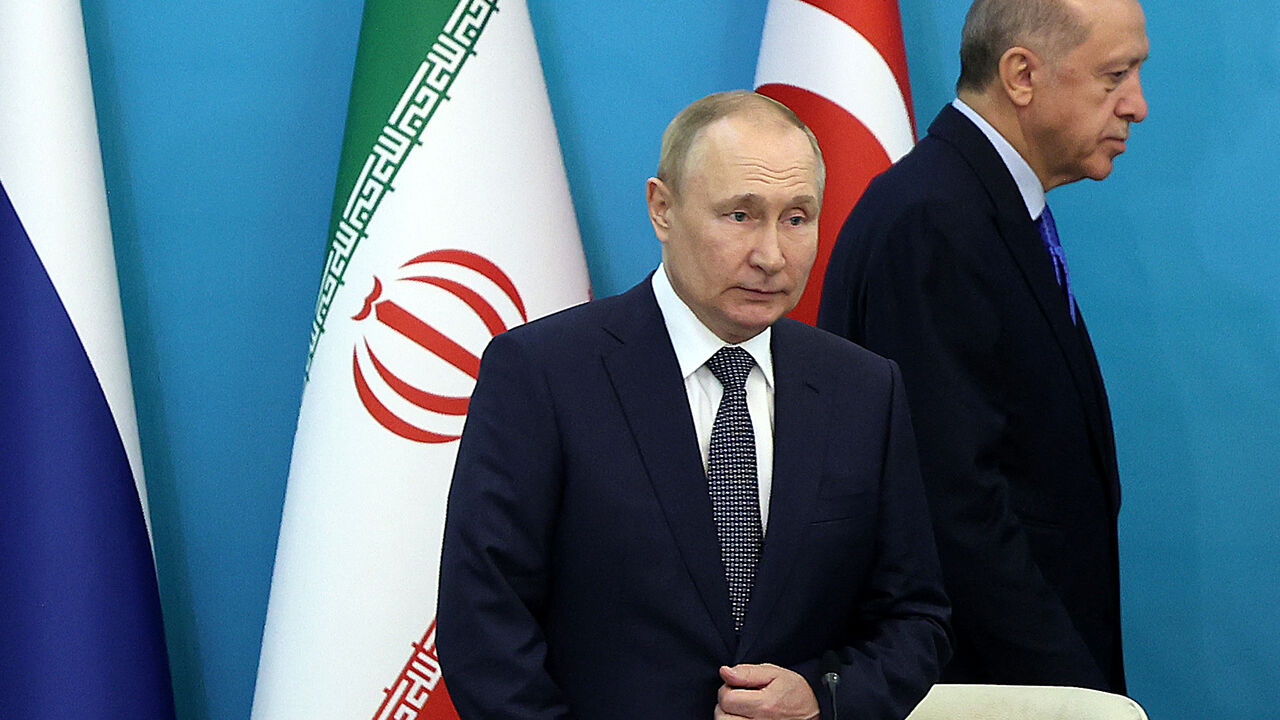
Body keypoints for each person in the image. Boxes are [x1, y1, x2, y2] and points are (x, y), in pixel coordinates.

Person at [438, 90, 951, 720]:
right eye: (740, 215)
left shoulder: (865, 390)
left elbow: (915, 619)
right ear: (662, 208)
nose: (771, 255)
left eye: (797, 218)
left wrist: (823, 698)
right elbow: (484, 626)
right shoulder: (542, 374)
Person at [818, 0, 1148, 694]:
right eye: (1115, 75)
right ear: (1022, 75)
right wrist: (1068, 692)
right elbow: (953, 506)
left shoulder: (980, 202)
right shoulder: (933, 222)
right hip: (987, 684)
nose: (1136, 106)